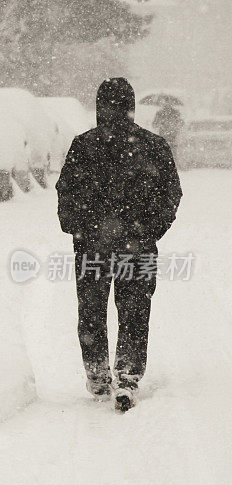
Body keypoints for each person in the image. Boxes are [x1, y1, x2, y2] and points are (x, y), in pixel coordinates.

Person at [56, 78, 182, 412]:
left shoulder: (84, 145)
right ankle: (127, 376)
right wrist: (150, 229)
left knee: (93, 312)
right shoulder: (152, 145)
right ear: (131, 107)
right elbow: (171, 193)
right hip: (136, 245)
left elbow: (66, 191)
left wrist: (78, 228)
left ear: (100, 107)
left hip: (93, 246)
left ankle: (98, 376)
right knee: (134, 312)